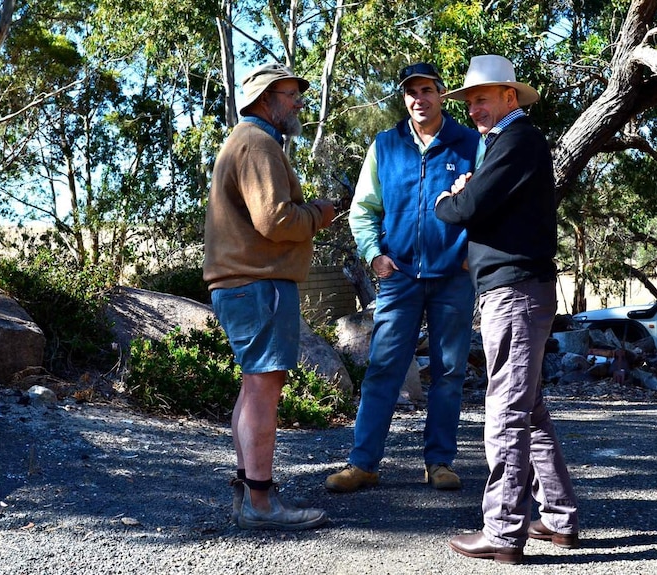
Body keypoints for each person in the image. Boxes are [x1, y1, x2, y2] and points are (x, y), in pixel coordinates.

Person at [434, 54, 580, 563]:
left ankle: (502, 531)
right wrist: (469, 191)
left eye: (483, 97)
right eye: (470, 99)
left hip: (514, 291)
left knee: (507, 410)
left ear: (509, 97)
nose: (474, 107)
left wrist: (451, 198)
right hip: (518, 288)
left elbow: (466, 210)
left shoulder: (515, 140)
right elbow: (484, 205)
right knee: (530, 408)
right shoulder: (508, 142)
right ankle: (558, 518)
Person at [324, 63, 481, 493]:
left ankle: (439, 462)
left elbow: (489, 204)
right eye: (411, 92)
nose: (419, 99)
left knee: (448, 372)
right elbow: (363, 209)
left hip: (454, 278)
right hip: (399, 277)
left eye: (426, 90)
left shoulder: (469, 143)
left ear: (442, 94)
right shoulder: (385, 145)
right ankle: (363, 464)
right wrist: (374, 255)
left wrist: (473, 255)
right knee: (383, 369)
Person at [203, 62, 335, 530]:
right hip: (259, 284)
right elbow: (276, 220)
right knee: (264, 390)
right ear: (265, 98)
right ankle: (261, 503)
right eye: (290, 93)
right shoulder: (258, 143)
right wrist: (319, 214)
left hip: (241, 285)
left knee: (252, 386)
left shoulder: (243, 141)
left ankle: (248, 491)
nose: (299, 101)